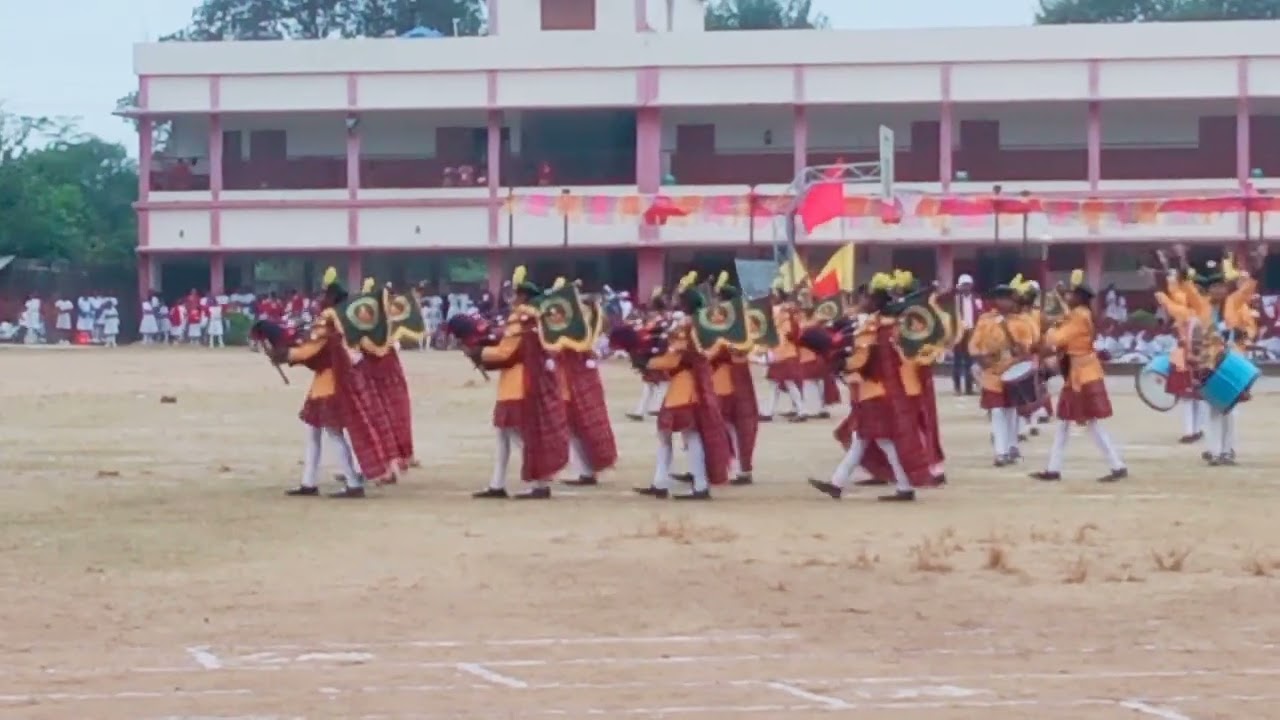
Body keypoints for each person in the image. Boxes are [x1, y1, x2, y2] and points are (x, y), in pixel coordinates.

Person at [809, 272, 934, 502]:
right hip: (882, 390)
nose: (862, 301)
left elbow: (861, 360)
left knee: (882, 441)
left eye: (865, 297)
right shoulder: (893, 325)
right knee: (864, 439)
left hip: (874, 392)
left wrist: (840, 363)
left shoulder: (873, 328)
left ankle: (903, 486)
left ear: (875, 300)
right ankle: (838, 483)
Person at [274, 267, 398, 498]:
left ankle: (352, 483)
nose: (320, 298)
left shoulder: (331, 318)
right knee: (315, 433)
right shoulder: (347, 320)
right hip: (330, 381)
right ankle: (309, 482)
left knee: (332, 434)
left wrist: (287, 355)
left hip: (330, 384)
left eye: (324, 294)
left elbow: (313, 348)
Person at [470, 266, 570, 500]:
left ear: (523, 296)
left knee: (518, 436)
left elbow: (507, 353)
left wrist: (480, 352)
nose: (512, 298)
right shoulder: (536, 319)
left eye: (515, 293)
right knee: (503, 435)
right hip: (523, 382)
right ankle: (497, 484)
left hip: (517, 384)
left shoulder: (521, 318)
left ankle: (539, 483)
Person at [633, 271, 733, 501]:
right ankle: (683, 483)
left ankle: (688, 484)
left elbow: (677, 357)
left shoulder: (686, 326)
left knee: (681, 434)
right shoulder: (701, 325)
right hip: (690, 384)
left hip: (684, 387)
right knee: (684, 434)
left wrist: (647, 362)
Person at [1030, 269, 1128, 482]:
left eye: (1071, 293)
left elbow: (1057, 338)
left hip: (1083, 375)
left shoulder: (1079, 316)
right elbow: (1061, 320)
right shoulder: (1080, 314)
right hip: (1079, 373)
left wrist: (1045, 330)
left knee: (1090, 422)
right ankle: (1054, 468)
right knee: (1066, 421)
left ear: (1079, 297)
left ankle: (1116, 465)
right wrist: (1055, 306)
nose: (1067, 296)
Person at [552, 278, 618, 486]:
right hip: (578, 373)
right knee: (580, 424)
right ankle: (586, 469)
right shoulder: (585, 315)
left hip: (574, 374)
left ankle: (586, 470)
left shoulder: (578, 317)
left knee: (577, 423)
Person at [968, 279, 1037, 466]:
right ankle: (1001, 451)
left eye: (1006, 298)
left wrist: (1021, 352)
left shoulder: (1022, 322)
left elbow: (1028, 347)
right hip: (992, 370)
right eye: (999, 298)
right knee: (997, 411)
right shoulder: (985, 320)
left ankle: (1011, 445)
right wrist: (980, 358)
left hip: (1013, 368)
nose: (1002, 302)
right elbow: (974, 344)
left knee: (1011, 410)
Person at [760, 280, 805, 420]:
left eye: (774, 294)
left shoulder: (782, 312)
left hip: (784, 354)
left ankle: (800, 411)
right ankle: (769, 412)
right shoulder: (787, 311)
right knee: (777, 384)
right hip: (781, 353)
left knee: (787, 383)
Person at [950, 274, 981, 395]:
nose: (966, 287)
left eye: (968, 285)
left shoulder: (977, 299)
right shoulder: (955, 300)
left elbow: (979, 315)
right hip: (959, 333)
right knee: (957, 361)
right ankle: (957, 387)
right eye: (964, 285)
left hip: (971, 332)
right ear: (960, 286)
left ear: (971, 286)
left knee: (969, 361)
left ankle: (969, 388)